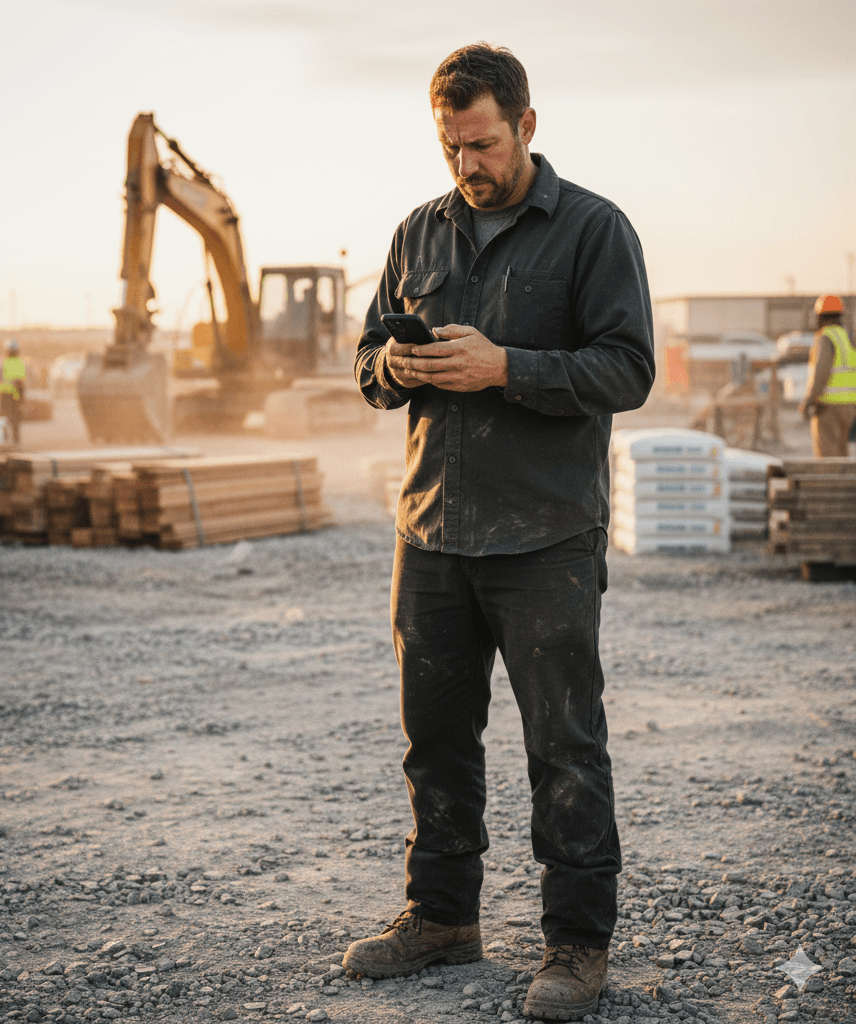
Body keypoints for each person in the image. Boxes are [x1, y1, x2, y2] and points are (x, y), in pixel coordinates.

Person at [344, 44, 654, 1021]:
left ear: (525, 124)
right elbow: (365, 365)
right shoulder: (417, 234)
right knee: (433, 740)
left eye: (479, 142)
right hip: (431, 535)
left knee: (563, 745)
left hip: (545, 538)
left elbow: (625, 369)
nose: (464, 164)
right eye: (448, 146)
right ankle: (440, 917)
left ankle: (576, 946)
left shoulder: (593, 232)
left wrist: (506, 368)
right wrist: (402, 371)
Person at [798, 294, 856, 457]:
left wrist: (807, 401)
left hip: (828, 406)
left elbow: (820, 374)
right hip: (849, 406)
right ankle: (843, 484)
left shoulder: (826, 337)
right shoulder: (848, 337)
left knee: (827, 456)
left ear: (820, 316)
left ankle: (831, 484)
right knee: (841, 454)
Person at [0, 338, 27, 444]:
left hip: (4, 394)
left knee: (3, 417)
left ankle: (4, 437)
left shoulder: (3, 363)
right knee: (16, 417)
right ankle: (16, 438)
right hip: (16, 394)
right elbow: (22, 382)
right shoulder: (20, 363)